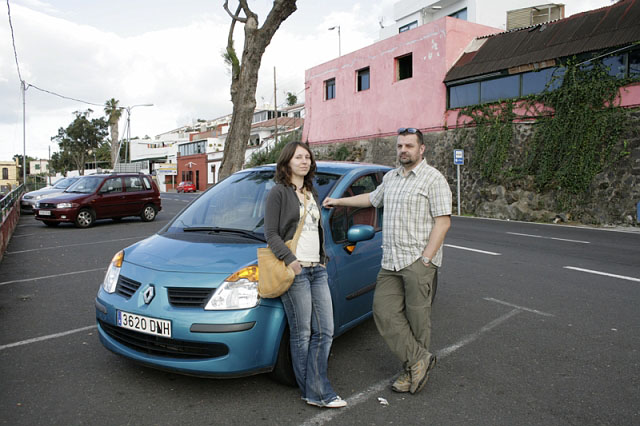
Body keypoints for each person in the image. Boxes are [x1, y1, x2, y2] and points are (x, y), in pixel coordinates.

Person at [323, 127, 452, 395]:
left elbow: (443, 222)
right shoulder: (391, 178)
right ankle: (419, 360)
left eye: (409, 146)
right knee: (383, 312)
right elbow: (372, 199)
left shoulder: (433, 179)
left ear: (421, 149)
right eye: (400, 146)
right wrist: (338, 201)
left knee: (418, 320)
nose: (403, 150)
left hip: (417, 262)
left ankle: (410, 371)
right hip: (391, 261)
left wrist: (426, 258)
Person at [264, 141, 347, 408]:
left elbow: (316, 230)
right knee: (302, 334)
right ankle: (316, 391)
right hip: (296, 271)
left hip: (316, 270)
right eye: (299, 157)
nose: (305, 161)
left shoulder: (312, 192)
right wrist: (292, 261)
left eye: (308, 157)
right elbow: (271, 235)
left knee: (325, 330)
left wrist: (321, 260)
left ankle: (313, 388)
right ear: (287, 161)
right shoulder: (278, 193)